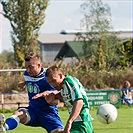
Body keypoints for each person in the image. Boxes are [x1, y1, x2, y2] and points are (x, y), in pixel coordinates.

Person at [0, 52, 64, 133]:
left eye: (31, 67)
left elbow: (56, 100)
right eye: (26, 67)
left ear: (39, 65)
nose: (28, 70)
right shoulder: (27, 74)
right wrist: (23, 83)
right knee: (19, 113)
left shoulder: (47, 77)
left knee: (60, 131)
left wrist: (52, 102)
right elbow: (32, 80)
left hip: (48, 114)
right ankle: (4, 127)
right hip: (32, 111)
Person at [34, 65, 94, 133]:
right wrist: (52, 96)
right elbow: (65, 98)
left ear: (60, 75)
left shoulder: (69, 82)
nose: (52, 85)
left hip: (81, 122)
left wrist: (69, 122)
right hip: (78, 123)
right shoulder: (63, 87)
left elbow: (79, 101)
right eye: (50, 83)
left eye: (54, 81)